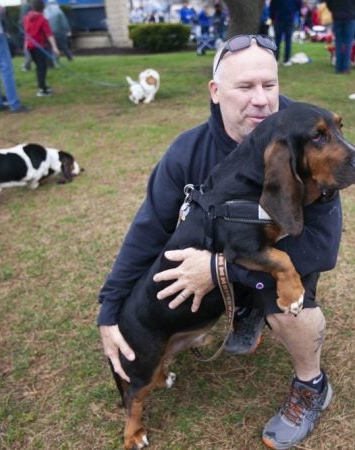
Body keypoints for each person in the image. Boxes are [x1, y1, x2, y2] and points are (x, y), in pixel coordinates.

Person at [98, 34, 342, 449]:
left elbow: (322, 245)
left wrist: (217, 270)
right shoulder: (186, 151)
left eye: (269, 84)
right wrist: (109, 309)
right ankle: (239, 311)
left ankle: (310, 384)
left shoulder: (307, 139)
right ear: (216, 92)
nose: (261, 100)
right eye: (245, 87)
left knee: (289, 303)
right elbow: (149, 229)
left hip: (266, 265)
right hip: (226, 263)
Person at [24, 0, 60, 97]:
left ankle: (42, 86)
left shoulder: (27, 18)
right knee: (41, 67)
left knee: (39, 66)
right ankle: (42, 89)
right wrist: (55, 47)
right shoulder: (42, 20)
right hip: (39, 46)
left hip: (30, 46)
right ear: (43, 8)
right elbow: (49, 34)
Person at [326, 0, 355, 74]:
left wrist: (334, 10)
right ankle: (345, 67)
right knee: (348, 43)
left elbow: (329, 3)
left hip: (337, 16)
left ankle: (338, 67)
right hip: (351, 15)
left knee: (338, 43)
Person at [270, 0, 301, 66]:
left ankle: (276, 59)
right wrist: (293, 11)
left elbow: (272, 6)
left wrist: (272, 17)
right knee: (288, 40)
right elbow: (299, 4)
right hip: (289, 18)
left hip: (279, 18)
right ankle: (286, 60)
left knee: (277, 41)